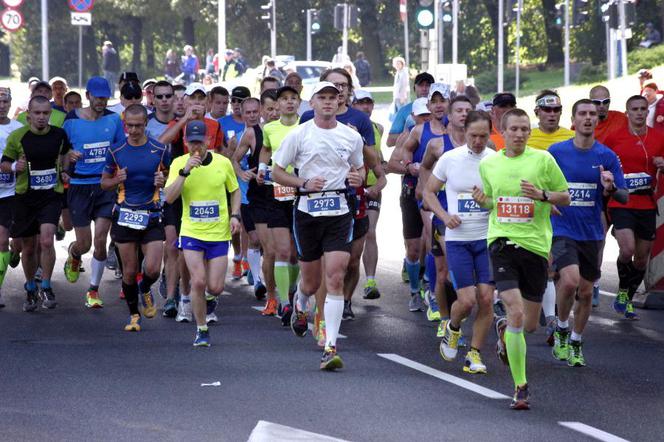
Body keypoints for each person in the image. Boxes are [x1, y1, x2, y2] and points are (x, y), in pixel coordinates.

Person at [473, 108, 570, 409]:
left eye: (524, 129)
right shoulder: (490, 164)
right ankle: (521, 386)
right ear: (502, 132)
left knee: (528, 325)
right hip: (502, 242)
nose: (519, 134)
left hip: (536, 247)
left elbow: (565, 196)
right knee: (514, 311)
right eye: (513, 129)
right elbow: (492, 202)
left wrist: (542, 195)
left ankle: (505, 332)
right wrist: (482, 201)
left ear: (529, 132)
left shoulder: (543, 160)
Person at [272, 81, 365, 370]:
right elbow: (276, 172)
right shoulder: (299, 135)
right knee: (311, 283)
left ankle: (330, 346)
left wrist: (358, 178)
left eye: (332, 97)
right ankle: (300, 303)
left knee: (335, 276)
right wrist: (303, 183)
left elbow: (360, 166)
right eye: (321, 98)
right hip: (307, 212)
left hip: (339, 210)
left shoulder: (351, 136)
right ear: (311, 103)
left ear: (339, 101)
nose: (327, 102)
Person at [549, 99, 627, 367]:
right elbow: (541, 185)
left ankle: (576, 341)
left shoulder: (606, 156)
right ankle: (560, 328)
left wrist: (611, 186)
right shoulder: (556, 152)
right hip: (562, 229)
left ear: (597, 119)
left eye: (592, 114)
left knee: (584, 292)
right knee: (569, 281)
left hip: (592, 232)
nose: (588, 118)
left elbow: (624, 196)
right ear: (573, 119)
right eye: (582, 113)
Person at [424, 110, 495, 374]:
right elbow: (428, 191)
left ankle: (474, 354)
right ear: (464, 133)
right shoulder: (449, 159)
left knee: (486, 298)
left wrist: (487, 202)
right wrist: (444, 216)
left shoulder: (495, 160)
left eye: (483, 136)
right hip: (457, 240)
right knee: (467, 301)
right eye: (473, 135)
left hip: (487, 238)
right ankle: (453, 327)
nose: (478, 141)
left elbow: (502, 199)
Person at [165, 120, 241, 346]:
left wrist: (235, 215)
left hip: (218, 234)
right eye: (192, 142)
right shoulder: (179, 163)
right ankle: (202, 329)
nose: (196, 147)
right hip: (191, 232)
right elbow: (169, 198)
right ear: (185, 142)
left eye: (200, 142)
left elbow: (235, 191)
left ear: (209, 141)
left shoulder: (222, 163)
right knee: (198, 281)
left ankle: (209, 299)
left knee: (215, 287)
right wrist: (185, 172)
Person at [100, 104, 170, 331]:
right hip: (125, 216)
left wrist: (163, 181)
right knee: (129, 271)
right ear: (124, 124)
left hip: (151, 215)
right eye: (129, 125)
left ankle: (146, 287)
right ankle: (133, 316)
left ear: (146, 124)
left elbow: (170, 177)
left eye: (138, 125)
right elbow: (103, 183)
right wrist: (116, 179)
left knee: (152, 269)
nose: (134, 130)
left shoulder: (159, 149)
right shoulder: (115, 150)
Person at [1, 96, 71, 311]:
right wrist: (15, 168)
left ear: (50, 113)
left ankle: (46, 285)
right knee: (29, 248)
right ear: (28, 114)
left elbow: (65, 153)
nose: (41, 117)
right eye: (37, 113)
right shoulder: (17, 136)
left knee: (47, 240)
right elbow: (4, 163)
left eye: (45, 113)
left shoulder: (59, 134)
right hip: (24, 198)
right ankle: (31, 286)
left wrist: (65, 171)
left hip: (50, 196)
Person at [63, 77, 125, 308]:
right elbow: (61, 148)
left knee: (101, 239)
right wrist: (68, 156)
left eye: (105, 97)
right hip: (79, 187)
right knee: (85, 244)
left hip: (104, 186)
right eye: (97, 96)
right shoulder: (72, 120)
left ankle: (93, 289)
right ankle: (74, 253)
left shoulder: (113, 119)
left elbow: (120, 148)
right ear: (88, 95)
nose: (101, 101)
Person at [604, 95, 664, 320]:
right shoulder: (614, 138)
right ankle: (622, 290)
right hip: (621, 201)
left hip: (646, 204)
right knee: (627, 249)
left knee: (640, 258)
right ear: (627, 112)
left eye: (642, 109)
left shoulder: (659, 137)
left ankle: (626, 296)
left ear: (647, 111)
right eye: (634, 109)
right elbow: (602, 164)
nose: (639, 113)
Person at [258, 85, 302, 325]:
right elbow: (265, 150)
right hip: (275, 193)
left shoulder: (305, 127)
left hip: (300, 193)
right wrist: (262, 169)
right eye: (284, 99)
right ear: (278, 104)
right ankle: (285, 303)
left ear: (299, 102)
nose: (288, 103)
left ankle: (293, 290)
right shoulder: (270, 128)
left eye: (293, 99)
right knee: (282, 251)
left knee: (296, 254)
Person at [352, 90, 384, 300]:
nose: (366, 107)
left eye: (369, 103)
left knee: (370, 232)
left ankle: (370, 280)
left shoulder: (377, 128)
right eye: (361, 103)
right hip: (350, 187)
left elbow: (378, 156)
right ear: (353, 105)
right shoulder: (346, 127)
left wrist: (382, 172)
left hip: (371, 187)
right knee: (351, 239)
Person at [0, 88, 23, 308]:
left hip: (11, 192)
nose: (1, 105)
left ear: (10, 103)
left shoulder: (18, 129)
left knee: (14, 242)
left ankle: (15, 252)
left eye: (4, 101)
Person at [387, 72, 434, 147]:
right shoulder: (404, 111)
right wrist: (412, 131)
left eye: (428, 85)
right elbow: (390, 142)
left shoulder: (440, 109)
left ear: (434, 88)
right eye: (421, 85)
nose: (424, 89)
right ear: (414, 88)